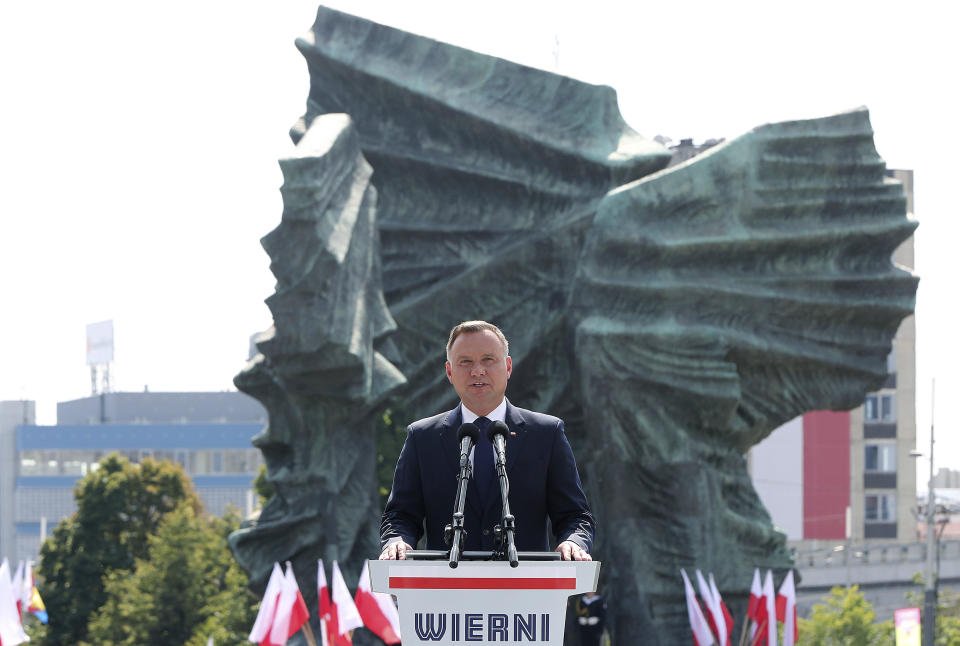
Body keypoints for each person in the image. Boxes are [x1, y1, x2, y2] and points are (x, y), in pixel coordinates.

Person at [380, 320, 594, 561]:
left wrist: (572, 542)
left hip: (526, 590)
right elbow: (400, 516)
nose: (477, 371)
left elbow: (575, 516)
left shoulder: (546, 433)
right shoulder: (422, 437)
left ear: (508, 367)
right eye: (465, 362)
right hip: (446, 589)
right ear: (450, 372)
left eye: (488, 360)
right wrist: (396, 541)